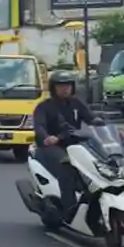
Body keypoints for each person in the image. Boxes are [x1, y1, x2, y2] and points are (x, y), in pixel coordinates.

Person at [32, 70, 100, 217]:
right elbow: (39, 126)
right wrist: (47, 137)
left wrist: (108, 128)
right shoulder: (44, 106)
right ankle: (69, 207)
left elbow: (92, 118)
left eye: (68, 85)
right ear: (53, 88)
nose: (65, 88)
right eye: (61, 85)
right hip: (52, 147)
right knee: (67, 164)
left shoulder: (76, 103)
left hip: (75, 145)